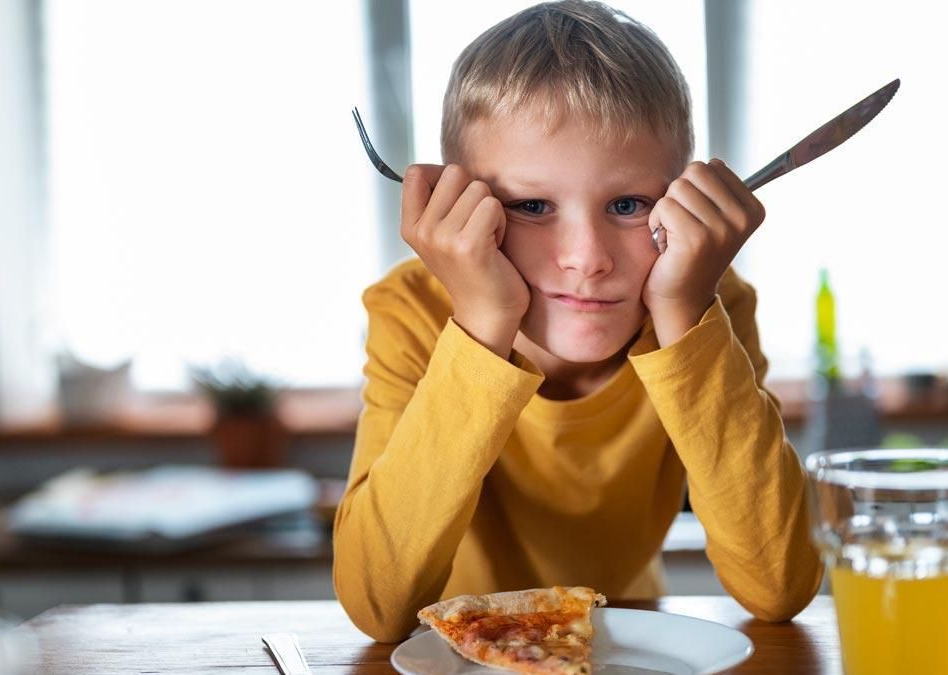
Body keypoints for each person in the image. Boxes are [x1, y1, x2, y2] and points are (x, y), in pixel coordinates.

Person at [333, 0, 823, 642]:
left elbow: (779, 587)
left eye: (627, 204)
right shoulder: (410, 311)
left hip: (625, 646)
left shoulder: (708, 303)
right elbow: (378, 604)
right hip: (454, 658)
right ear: (462, 207)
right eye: (532, 205)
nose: (587, 260)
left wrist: (684, 313)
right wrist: (483, 321)